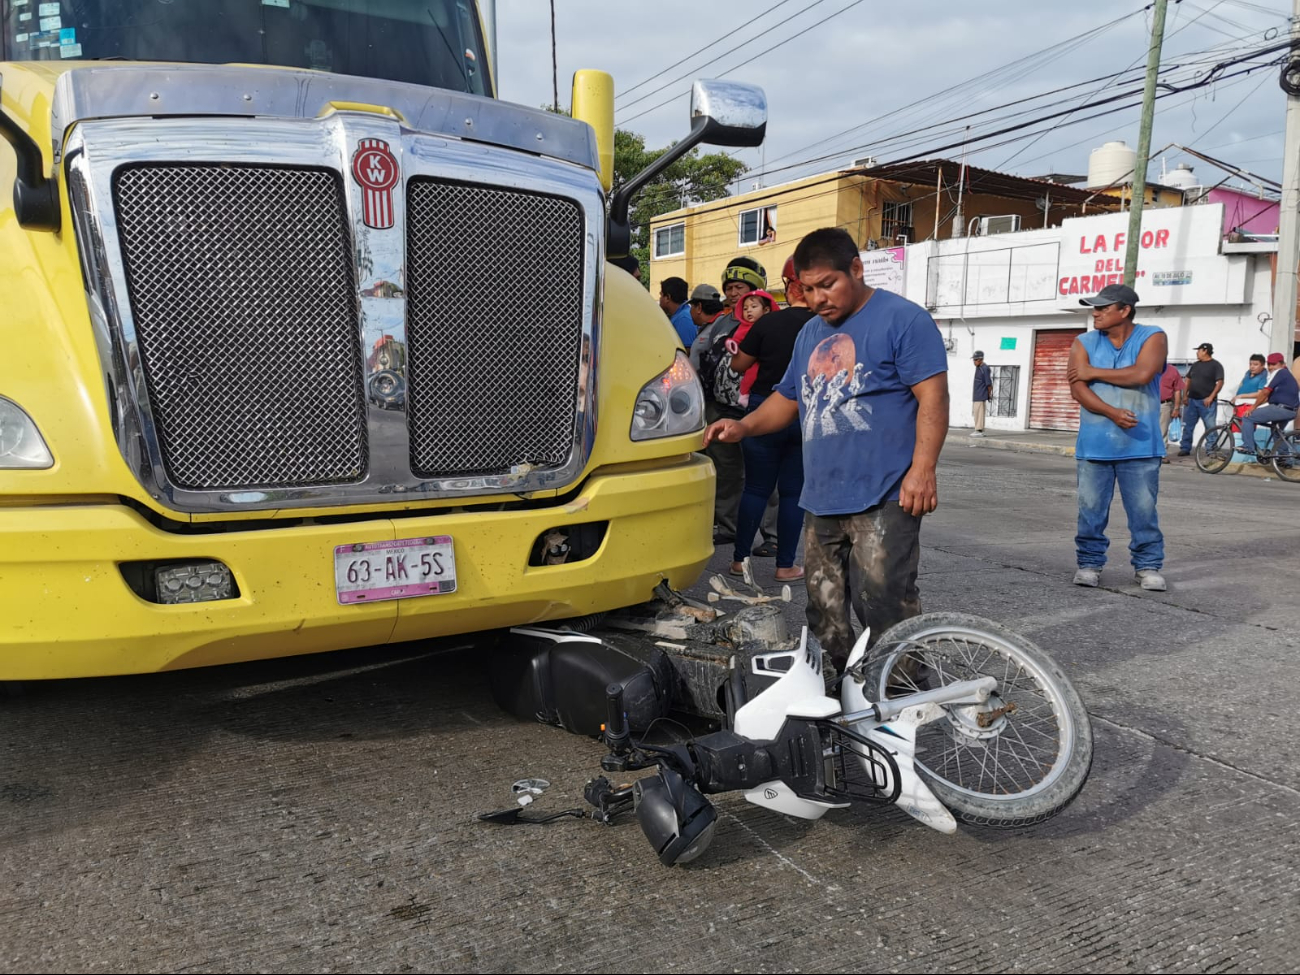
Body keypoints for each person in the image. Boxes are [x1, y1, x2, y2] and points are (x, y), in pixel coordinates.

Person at [704, 228, 949, 673]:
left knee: (884, 604)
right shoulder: (809, 334)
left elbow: (933, 398)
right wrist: (742, 426)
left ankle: (903, 697)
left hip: (886, 493)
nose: (818, 298)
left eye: (827, 285)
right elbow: (788, 400)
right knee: (824, 610)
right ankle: (843, 691)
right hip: (821, 496)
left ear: (856, 269)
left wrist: (923, 469)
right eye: (808, 288)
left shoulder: (904, 320)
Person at [1066, 284, 1168, 592]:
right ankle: (1089, 564)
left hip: (1140, 443)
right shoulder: (1083, 341)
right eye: (1094, 308)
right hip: (1095, 443)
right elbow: (1076, 388)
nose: (1095, 313)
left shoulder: (1152, 336)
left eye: (1102, 308)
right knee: (1090, 510)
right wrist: (1112, 412)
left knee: (1143, 511)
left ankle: (1148, 567)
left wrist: (1092, 372)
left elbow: (1142, 373)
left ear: (1124, 310)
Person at [726, 259, 815, 583]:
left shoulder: (767, 323)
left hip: (765, 408)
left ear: (789, 286)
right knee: (793, 493)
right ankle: (785, 565)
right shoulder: (823, 324)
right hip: (806, 414)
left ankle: (739, 561)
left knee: (756, 489)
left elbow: (738, 366)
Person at [692, 257, 769, 546]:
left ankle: (772, 535)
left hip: (760, 407)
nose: (734, 294)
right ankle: (728, 524)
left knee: (764, 470)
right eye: (730, 287)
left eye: (740, 287)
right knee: (725, 469)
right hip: (719, 405)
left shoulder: (770, 321)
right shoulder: (722, 321)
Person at [1237, 352, 1300, 456]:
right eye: (1269, 364)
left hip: (1281, 409)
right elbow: (1267, 397)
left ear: (1282, 364)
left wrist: (1253, 407)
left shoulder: (1280, 372)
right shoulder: (1286, 374)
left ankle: (1248, 446)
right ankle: (1284, 459)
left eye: (1274, 364)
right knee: (1277, 432)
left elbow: (1265, 392)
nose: (1271, 367)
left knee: (1248, 418)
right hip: (1291, 411)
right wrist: (1259, 405)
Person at [1177, 342, 1223, 457]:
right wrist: (1185, 395)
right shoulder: (1196, 365)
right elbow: (1188, 379)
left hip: (1206, 402)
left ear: (1205, 351)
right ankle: (1185, 447)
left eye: (1199, 350)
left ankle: (1211, 449)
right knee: (1188, 426)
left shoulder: (1216, 365)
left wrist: (1211, 397)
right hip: (1192, 400)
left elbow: (1220, 382)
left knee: (1210, 426)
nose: (1197, 353)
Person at [1157, 362, 1185, 464]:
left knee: (1162, 430)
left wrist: (1177, 408)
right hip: (1148, 403)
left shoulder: (1172, 370)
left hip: (1164, 404)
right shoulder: (1148, 366)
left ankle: (1162, 454)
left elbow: (1177, 390)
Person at [658, 276, 695, 350]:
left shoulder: (683, 319)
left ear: (668, 297)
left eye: (661, 295)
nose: (660, 299)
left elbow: (686, 352)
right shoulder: (680, 315)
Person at [971, 351, 992, 437]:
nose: (974, 362)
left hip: (981, 395)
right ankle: (977, 429)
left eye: (975, 360)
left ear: (980, 359)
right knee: (976, 412)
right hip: (976, 395)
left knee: (979, 413)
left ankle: (979, 430)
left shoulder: (984, 368)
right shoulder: (978, 368)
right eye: (973, 360)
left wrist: (989, 394)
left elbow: (989, 384)